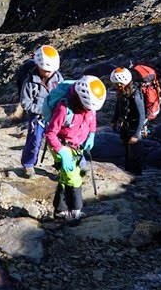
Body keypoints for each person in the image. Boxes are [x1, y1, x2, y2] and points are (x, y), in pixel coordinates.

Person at [44, 75, 106, 223]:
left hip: (76, 144)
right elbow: (50, 133)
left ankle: (60, 210)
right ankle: (75, 212)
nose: (89, 110)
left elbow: (92, 118)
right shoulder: (63, 109)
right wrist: (62, 151)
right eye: (87, 107)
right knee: (74, 179)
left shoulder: (89, 105)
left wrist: (91, 134)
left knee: (66, 177)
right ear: (79, 99)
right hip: (62, 145)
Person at [18, 45, 63, 177]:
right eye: (46, 70)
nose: (50, 73)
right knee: (34, 141)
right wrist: (41, 110)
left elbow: (63, 95)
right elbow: (25, 102)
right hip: (37, 118)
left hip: (54, 116)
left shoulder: (58, 78)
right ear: (38, 66)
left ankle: (60, 165)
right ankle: (28, 165)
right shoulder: (30, 81)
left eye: (51, 70)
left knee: (57, 141)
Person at [110, 67, 146, 175]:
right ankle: (128, 174)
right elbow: (118, 106)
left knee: (135, 156)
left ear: (122, 83)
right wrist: (114, 120)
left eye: (116, 84)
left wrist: (136, 135)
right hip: (126, 126)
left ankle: (137, 177)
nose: (114, 86)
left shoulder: (135, 96)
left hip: (134, 128)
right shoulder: (122, 92)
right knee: (127, 154)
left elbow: (142, 116)